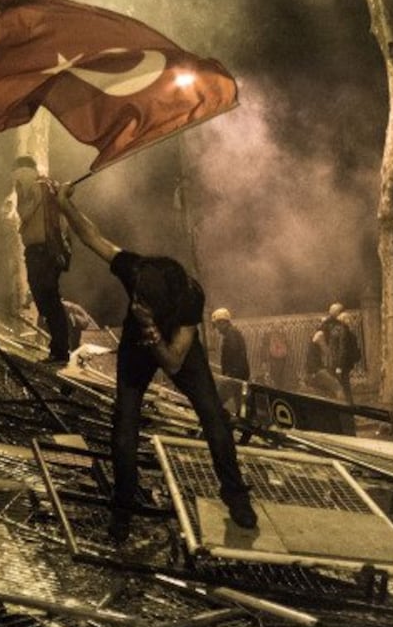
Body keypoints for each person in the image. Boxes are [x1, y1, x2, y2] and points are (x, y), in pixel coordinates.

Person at [50, 180, 257, 542]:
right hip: (136, 347)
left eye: (144, 304)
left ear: (164, 305)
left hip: (176, 346)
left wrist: (153, 330)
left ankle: (235, 494)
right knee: (124, 423)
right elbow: (92, 237)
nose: (135, 305)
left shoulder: (189, 298)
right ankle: (123, 509)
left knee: (213, 415)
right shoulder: (137, 268)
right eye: (137, 298)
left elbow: (175, 362)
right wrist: (65, 204)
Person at [13, 156, 72, 364]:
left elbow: (24, 214)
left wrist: (20, 192)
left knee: (48, 299)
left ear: (22, 170)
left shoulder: (31, 186)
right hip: (46, 251)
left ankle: (60, 351)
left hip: (41, 252)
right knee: (47, 299)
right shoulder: (48, 187)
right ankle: (59, 349)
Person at [304, 303, 357, 405]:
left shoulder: (332, 329)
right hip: (316, 369)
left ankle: (346, 409)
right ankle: (344, 410)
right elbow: (327, 353)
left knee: (338, 387)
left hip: (321, 367)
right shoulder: (320, 335)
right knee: (338, 387)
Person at [210, 307, 250, 415]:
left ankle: (208, 426)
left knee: (216, 402)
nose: (217, 329)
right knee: (241, 407)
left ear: (223, 322)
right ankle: (245, 428)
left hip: (234, 376)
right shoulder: (233, 333)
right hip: (239, 375)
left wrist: (230, 374)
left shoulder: (231, 335)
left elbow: (234, 355)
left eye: (217, 325)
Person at [258, 325, 292, 390]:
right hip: (276, 359)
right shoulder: (275, 338)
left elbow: (281, 349)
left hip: (279, 359)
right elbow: (273, 349)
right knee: (276, 375)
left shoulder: (279, 338)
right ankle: (277, 388)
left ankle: (278, 387)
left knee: (278, 376)